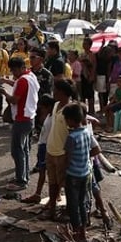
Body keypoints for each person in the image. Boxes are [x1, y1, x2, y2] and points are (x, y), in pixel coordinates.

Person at [1, 56, 38, 191]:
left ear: (21, 68)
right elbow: (18, 86)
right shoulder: (31, 76)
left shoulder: (23, 80)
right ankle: (23, 176)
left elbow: (14, 100)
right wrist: (7, 81)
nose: (13, 73)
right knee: (24, 150)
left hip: (22, 118)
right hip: (30, 116)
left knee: (17, 151)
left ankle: (21, 180)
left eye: (14, 70)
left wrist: (5, 93)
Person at [62, 103, 97, 242]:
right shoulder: (87, 133)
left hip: (73, 175)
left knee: (72, 204)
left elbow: (68, 158)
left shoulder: (71, 138)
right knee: (82, 202)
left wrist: (63, 173)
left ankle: (76, 231)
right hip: (85, 173)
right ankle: (83, 229)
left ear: (70, 120)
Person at [44, 79, 77, 221]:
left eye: (55, 89)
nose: (53, 91)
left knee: (65, 185)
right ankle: (52, 209)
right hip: (51, 150)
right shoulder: (56, 105)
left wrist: (69, 157)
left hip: (62, 154)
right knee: (52, 183)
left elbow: (73, 134)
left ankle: (68, 212)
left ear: (62, 92)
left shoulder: (71, 109)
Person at [21, 95, 55, 205]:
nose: (41, 111)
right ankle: (39, 194)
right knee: (42, 171)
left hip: (46, 146)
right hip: (43, 145)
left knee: (48, 173)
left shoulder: (53, 118)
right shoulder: (49, 117)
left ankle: (46, 196)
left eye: (43, 108)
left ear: (48, 107)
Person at [79, 37, 97, 114]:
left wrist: (92, 76)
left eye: (85, 44)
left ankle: (91, 110)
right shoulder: (82, 54)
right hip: (82, 75)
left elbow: (94, 66)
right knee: (82, 94)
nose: (84, 45)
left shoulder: (92, 55)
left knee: (90, 95)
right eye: (83, 43)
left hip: (88, 76)